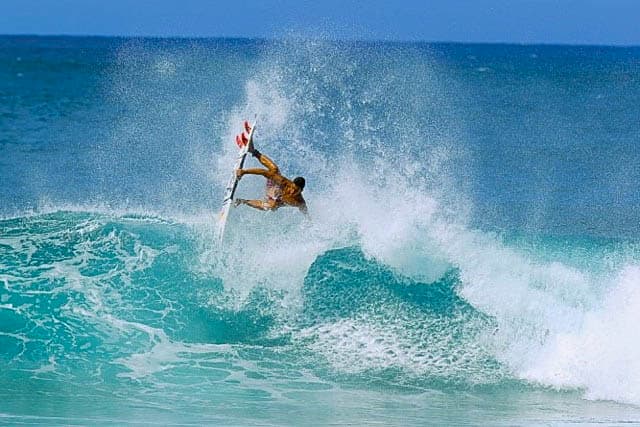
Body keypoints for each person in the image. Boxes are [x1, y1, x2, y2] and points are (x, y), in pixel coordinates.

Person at [235, 143, 308, 216]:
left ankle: (242, 201)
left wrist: (310, 223)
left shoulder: (299, 202)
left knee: (270, 206)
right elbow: (264, 172)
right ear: (291, 183)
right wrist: (244, 172)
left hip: (273, 200)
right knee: (274, 170)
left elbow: (305, 212)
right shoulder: (284, 182)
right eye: (292, 188)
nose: (292, 191)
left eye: (295, 191)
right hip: (272, 187)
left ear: (301, 191)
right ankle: (253, 151)